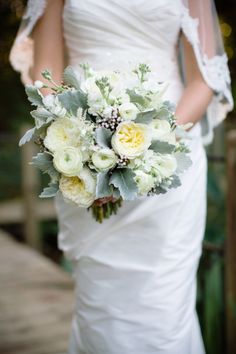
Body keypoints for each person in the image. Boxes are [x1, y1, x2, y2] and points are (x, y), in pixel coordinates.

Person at [10, 1, 233, 353]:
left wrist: (145, 150)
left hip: (169, 152)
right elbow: (46, 71)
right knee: (102, 303)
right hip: (81, 150)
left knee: (163, 306)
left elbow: (203, 80)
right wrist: (72, 138)